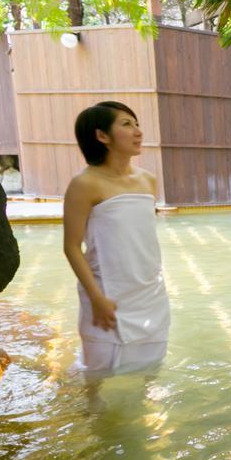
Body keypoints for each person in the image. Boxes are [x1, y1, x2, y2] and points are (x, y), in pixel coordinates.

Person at [62, 102, 170, 376]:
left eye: (136, 124)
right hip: (106, 294)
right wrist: (97, 298)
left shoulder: (148, 180)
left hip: (149, 294)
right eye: (126, 124)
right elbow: (72, 246)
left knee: (150, 369)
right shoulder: (85, 184)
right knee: (96, 376)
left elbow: (140, 239)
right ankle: (93, 414)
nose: (137, 131)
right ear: (102, 136)